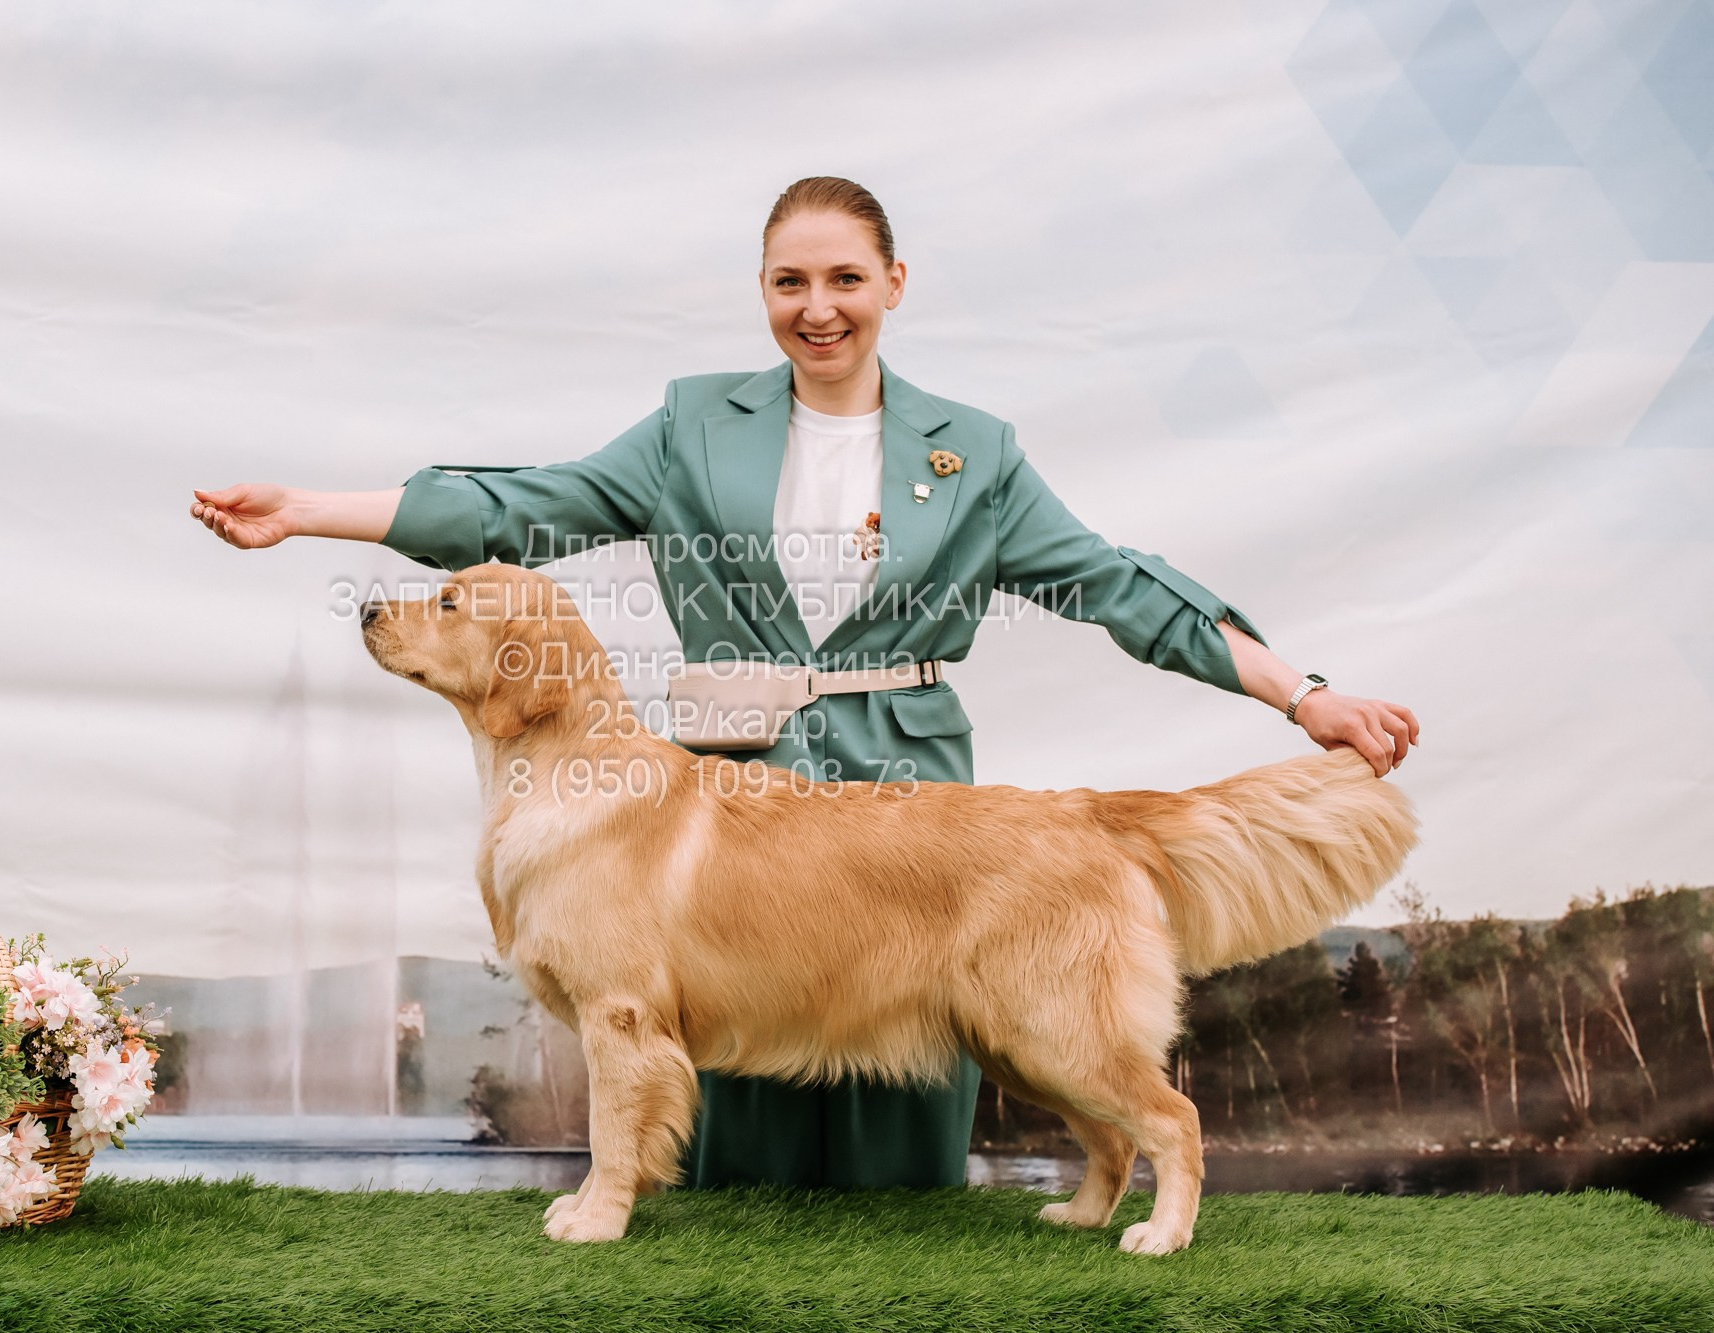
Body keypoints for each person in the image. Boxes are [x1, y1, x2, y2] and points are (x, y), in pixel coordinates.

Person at [189, 175, 1420, 1191]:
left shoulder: (973, 452)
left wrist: (1297, 693)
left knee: (908, 1166)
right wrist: (311, 512)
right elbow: (521, 503)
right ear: (763, 295)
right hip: (730, 831)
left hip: (916, 838)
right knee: (749, 1172)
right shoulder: (689, 427)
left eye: (844, 279)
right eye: (790, 281)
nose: (817, 308)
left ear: (893, 284)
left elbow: (1112, 583)